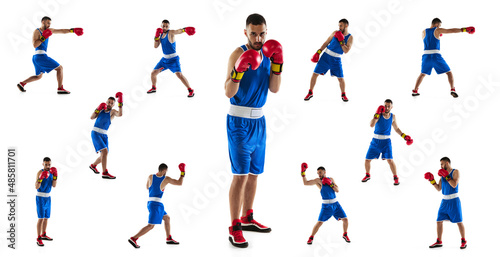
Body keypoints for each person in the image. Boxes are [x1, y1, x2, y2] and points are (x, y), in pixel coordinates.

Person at [224, 13, 283, 248]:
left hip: (260, 122)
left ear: (266, 32)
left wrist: (278, 63)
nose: (258, 38)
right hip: (238, 122)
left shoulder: (270, 53)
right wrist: (239, 70)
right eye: (253, 33)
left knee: (254, 173)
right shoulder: (237, 54)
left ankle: (247, 218)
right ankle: (234, 227)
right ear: (245, 32)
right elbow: (228, 92)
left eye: (262, 33)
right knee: (240, 175)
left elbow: (275, 89)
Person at [17, 16, 83, 94]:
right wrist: (43, 37)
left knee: (38, 76)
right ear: (43, 22)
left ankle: (22, 83)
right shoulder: (37, 31)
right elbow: (35, 45)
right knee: (60, 68)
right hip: (40, 56)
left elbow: (61, 31)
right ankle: (60, 88)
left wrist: (72, 30)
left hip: (37, 57)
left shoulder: (49, 30)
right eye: (48, 23)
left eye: (50, 23)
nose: (49, 25)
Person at [412, 18, 475, 98]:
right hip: (435, 55)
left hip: (426, 56)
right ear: (436, 24)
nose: (439, 27)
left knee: (422, 74)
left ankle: (415, 90)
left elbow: (430, 39)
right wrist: (464, 29)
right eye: (439, 25)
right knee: (449, 73)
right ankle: (452, 89)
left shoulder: (423, 32)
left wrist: (437, 35)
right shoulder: (437, 30)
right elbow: (451, 31)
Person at [128, 163, 185, 248]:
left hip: (151, 203)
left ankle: (169, 238)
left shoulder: (150, 176)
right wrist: (182, 172)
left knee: (167, 218)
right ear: (164, 170)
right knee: (151, 226)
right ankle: (134, 238)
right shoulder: (166, 179)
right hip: (156, 205)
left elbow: (147, 187)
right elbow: (179, 183)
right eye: (166, 171)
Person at [362, 99, 413, 185]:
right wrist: (376, 113)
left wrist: (404, 136)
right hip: (375, 141)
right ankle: (367, 175)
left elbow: (396, 128)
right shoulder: (378, 115)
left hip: (386, 142)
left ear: (391, 107)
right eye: (385, 105)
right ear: (383, 105)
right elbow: (371, 125)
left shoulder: (393, 117)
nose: (386, 107)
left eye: (388, 106)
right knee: (367, 160)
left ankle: (396, 177)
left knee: (390, 160)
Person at [304, 18, 353, 102]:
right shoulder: (335, 32)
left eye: (341, 26)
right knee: (315, 74)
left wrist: (341, 41)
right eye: (339, 26)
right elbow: (326, 42)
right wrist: (318, 52)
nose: (339, 27)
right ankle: (310, 92)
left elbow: (346, 51)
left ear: (346, 25)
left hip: (336, 60)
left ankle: (343, 95)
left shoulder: (350, 37)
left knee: (340, 78)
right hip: (325, 56)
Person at [301, 164, 350, 245]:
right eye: (318, 173)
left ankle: (345, 234)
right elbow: (305, 183)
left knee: (345, 219)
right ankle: (311, 237)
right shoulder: (318, 181)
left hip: (336, 205)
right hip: (326, 206)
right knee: (320, 222)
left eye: (320, 173)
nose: (319, 175)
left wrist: (330, 183)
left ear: (324, 172)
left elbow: (337, 190)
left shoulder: (331, 179)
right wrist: (303, 173)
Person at [424, 157, 467, 249]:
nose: (441, 166)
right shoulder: (442, 175)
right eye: (440, 164)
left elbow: (454, 184)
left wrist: (446, 176)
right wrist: (431, 180)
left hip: (454, 200)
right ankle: (439, 241)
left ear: (447, 163)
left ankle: (463, 240)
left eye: (442, 164)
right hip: (444, 201)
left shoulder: (455, 172)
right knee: (439, 221)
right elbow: (439, 188)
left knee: (459, 221)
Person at [146, 19, 196, 97]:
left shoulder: (171, 33)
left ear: (169, 26)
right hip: (164, 61)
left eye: (166, 26)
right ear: (161, 26)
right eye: (163, 26)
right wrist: (156, 36)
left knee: (179, 75)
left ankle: (190, 90)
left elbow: (177, 31)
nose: (165, 28)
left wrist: (185, 29)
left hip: (173, 60)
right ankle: (153, 88)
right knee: (153, 73)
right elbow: (155, 46)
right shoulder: (160, 35)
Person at [89, 93, 123, 179]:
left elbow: (120, 114)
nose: (110, 104)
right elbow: (92, 117)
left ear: (113, 105)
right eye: (109, 102)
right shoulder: (100, 110)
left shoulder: (112, 112)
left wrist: (120, 102)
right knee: (105, 152)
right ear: (106, 102)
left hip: (104, 135)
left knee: (104, 155)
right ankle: (105, 172)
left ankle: (93, 166)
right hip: (96, 133)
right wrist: (97, 108)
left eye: (112, 103)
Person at [35, 157, 58, 246]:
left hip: (48, 198)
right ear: (43, 164)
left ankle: (44, 234)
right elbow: (36, 187)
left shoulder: (52, 172)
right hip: (40, 197)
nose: (48, 166)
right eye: (46, 164)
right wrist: (41, 178)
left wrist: (55, 175)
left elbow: (54, 185)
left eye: (49, 164)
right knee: (40, 218)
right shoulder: (40, 172)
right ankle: (38, 238)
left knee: (46, 217)